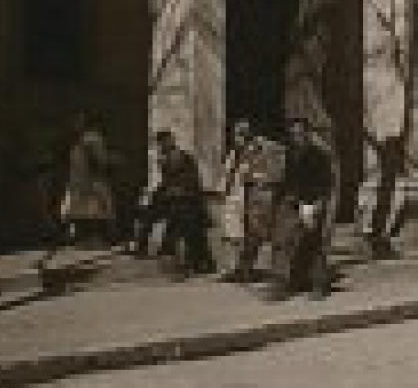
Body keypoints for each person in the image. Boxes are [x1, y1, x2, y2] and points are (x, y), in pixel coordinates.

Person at [268, 116, 336, 300]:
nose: (296, 136)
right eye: (293, 133)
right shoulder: (289, 154)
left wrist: (318, 205)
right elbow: (285, 179)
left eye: (300, 133)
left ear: (307, 133)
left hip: (310, 201)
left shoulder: (319, 155)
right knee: (282, 242)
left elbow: (326, 183)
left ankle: (319, 284)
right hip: (291, 201)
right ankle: (280, 284)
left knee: (313, 242)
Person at [132, 129, 214, 276]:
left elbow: (186, 182)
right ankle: (196, 265)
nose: (162, 146)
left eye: (165, 142)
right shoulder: (167, 158)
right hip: (180, 202)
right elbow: (168, 183)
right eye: (161, 143)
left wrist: (166, 193)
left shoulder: (177, 157)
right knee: (188, 235)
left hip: (187, 202)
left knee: (188, 235)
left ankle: (194, 265)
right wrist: (158, 193)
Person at [220, 119, 280, 282]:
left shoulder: (264, 149)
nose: (238, 138)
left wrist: (257, 178)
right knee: (232, 235)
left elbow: (271, 174)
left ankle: (245, 268)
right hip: (234, 197)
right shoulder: (234, 154)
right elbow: (226, 176)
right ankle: (236, 268)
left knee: (252, 234)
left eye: (242, 134)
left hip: (253, 197)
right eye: (236, 134)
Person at [56, 116, 116, 249]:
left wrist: (105, 164)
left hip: (89, 181)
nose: (74, 125)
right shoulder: (79, 141)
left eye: (78, 122)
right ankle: (82, 237)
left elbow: (98, 160)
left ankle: (94, 238)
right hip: (79, 180)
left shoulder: (91, 138)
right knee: (80, 210)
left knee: (93, 209)